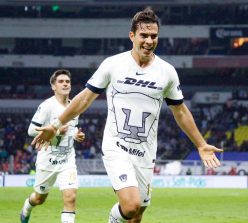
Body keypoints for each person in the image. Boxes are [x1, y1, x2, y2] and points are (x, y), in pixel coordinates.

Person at [31, 9, 223, 223]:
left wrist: (200, 144)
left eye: (154, 36)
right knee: (130, 206)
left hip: (145, 151)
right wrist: (56, 125)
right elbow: (84, 99)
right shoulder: (113, 64)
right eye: (144, 35)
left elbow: (180, 110)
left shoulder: (167, 72)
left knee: (136, 215)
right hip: (116, 146)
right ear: (132, 36)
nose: (149, 41)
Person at [20, 69, 85, 223]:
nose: (65, 84)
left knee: (71, 196)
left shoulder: (75, 106)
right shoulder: (47, 106)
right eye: (61, 81)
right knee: (39, 199)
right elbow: (30, 130)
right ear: (53, 86)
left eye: (67, 81)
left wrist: (76, 135)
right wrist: (55, 132)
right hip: (47, 160)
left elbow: (72, 127)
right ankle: (27, 206)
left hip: (67, 160)